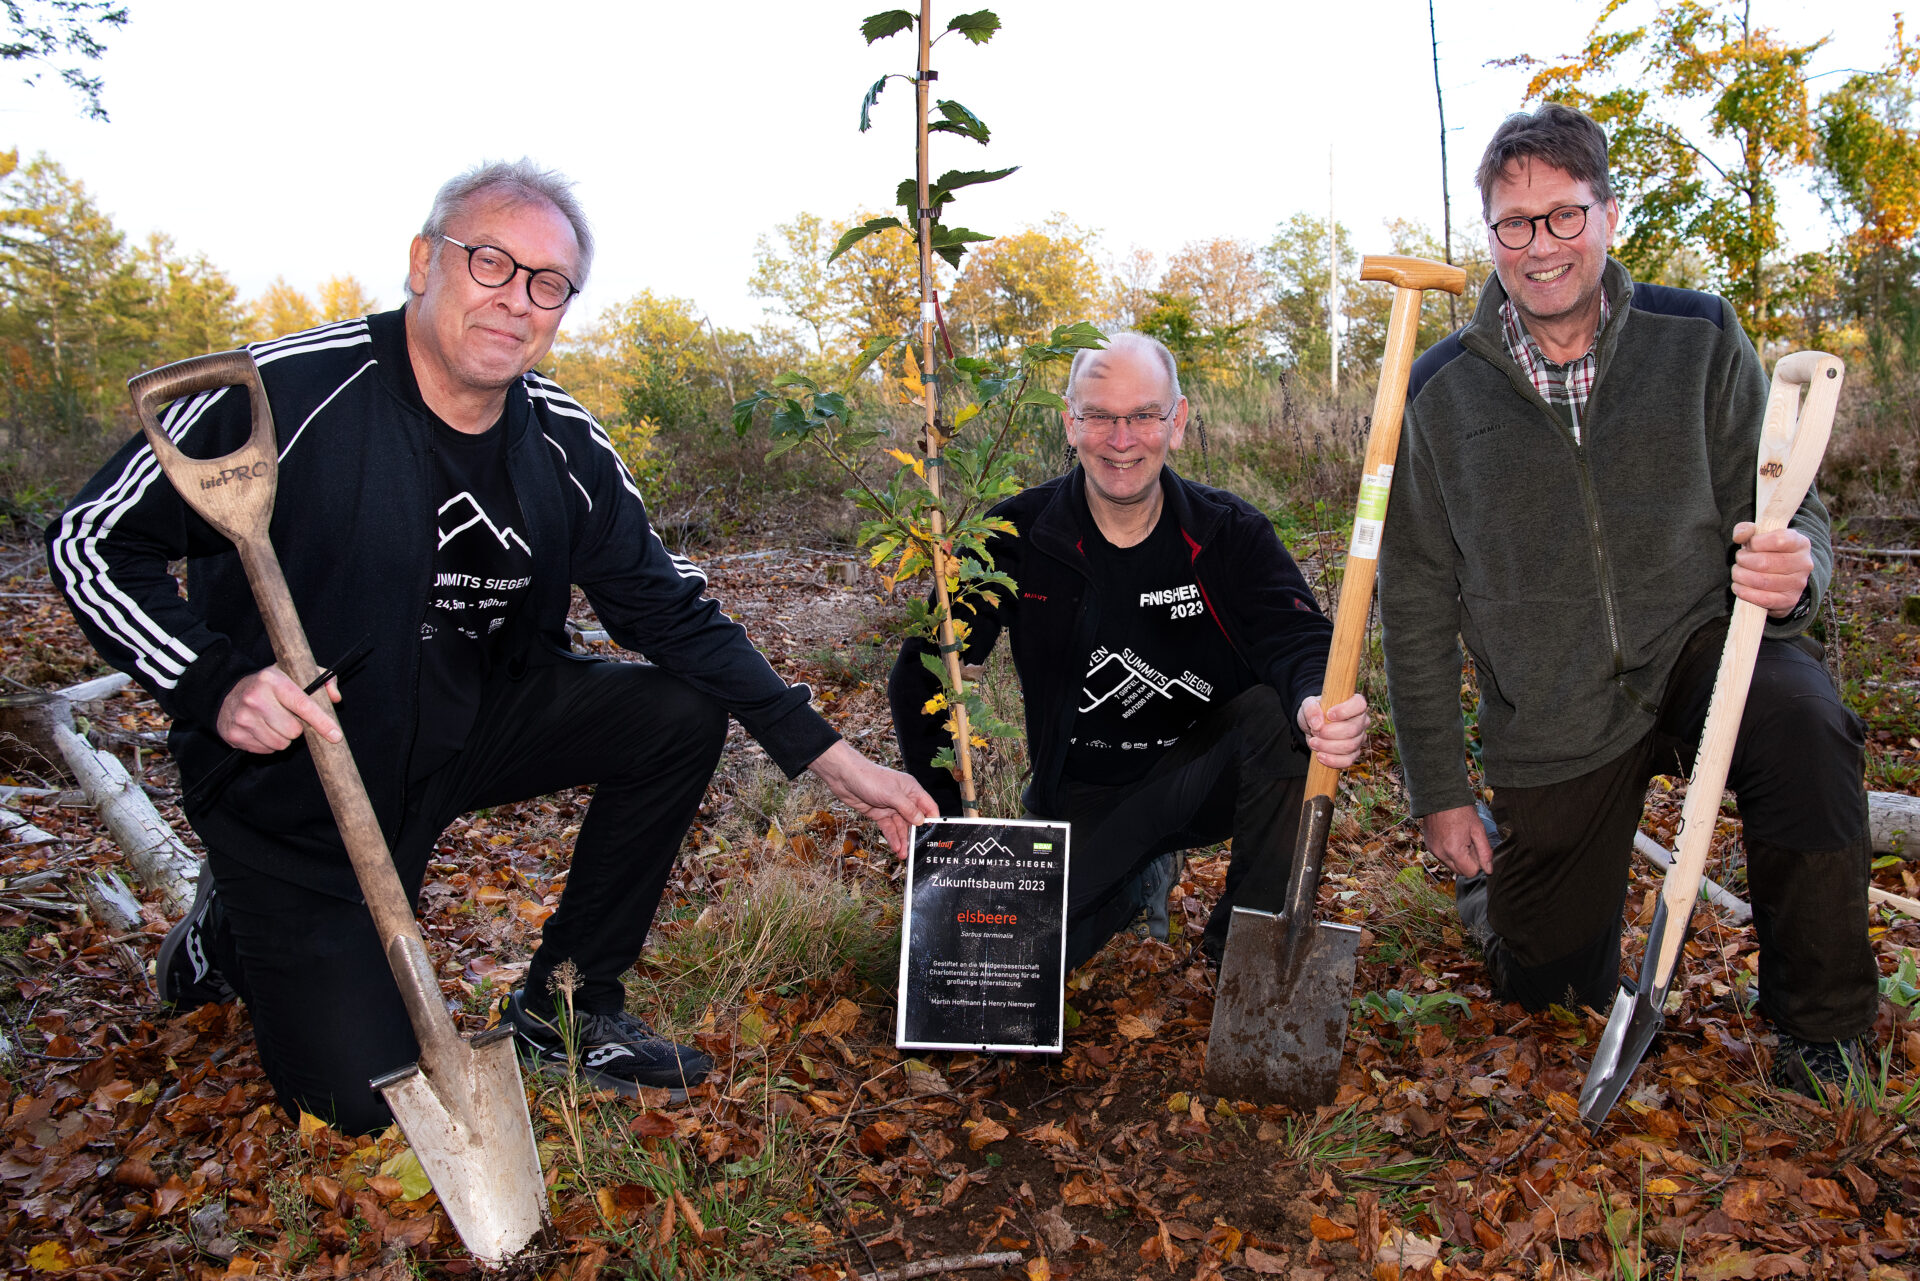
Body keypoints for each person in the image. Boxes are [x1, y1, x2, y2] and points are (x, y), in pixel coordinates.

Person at [48, 159, 935, 1133]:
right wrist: (215, 684)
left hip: (473, 727)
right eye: (491, 264)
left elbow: (669, 612)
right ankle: (223, 939)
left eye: (548, 284)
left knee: (677, 713)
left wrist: (835, 759)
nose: (518, 300)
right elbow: (90, 538)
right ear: (425, 261)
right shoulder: (285, 393)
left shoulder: (557, 436)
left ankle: (570, 1005)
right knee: (365, 1102)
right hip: (298, 779)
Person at [1377, 103, 1876, 1096]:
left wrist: (1800, 571)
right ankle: (1501, 909)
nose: (1542, 246)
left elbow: (1789, 504)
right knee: (1548, 996)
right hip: (1551, 712)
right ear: (1491, 237)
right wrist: (1439, 788)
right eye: (1514, 224)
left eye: (1564, 216)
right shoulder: (1437, 396)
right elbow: (1417, 601)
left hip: (1704, 647)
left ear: (1608, 215)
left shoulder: (1696, 336)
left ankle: (1821, 1031)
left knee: (1808, 726)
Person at [888, 333, 1369, 974]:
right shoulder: (1017, 535)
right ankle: (1131, 886)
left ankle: (1246, 954)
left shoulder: (1227, 531)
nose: (1122, 439)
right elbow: (923, 669)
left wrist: (1315, 697)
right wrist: (949, 826)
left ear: (1178, 421)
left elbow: (1298, 636)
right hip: (1083, 797)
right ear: (1070, 423)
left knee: (1281, 716)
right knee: (1007, 960)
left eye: (1144, 415)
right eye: (1101, 417)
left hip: (1204, 781)